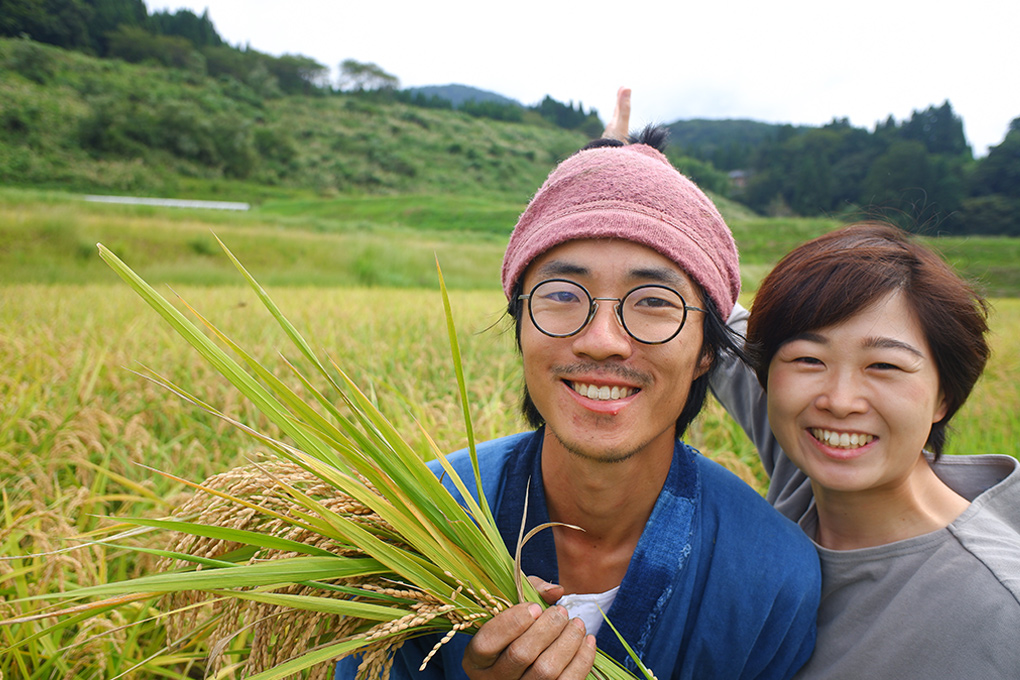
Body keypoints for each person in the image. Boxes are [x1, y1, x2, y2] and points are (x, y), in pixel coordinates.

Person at [336, 122, 821, 680]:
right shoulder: (416, 520)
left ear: (708, 351)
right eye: (564, 295)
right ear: (520, 326)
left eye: (654, 301)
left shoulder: (772, 577)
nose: (602, 339)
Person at [709, 222, 1020, 678]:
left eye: (884, 366)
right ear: (767, 377)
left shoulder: (997, 609)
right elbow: (713, 308)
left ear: (944, 397)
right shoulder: (807, 469)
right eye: (808, 359)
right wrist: (629, 161)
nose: (838, 400)